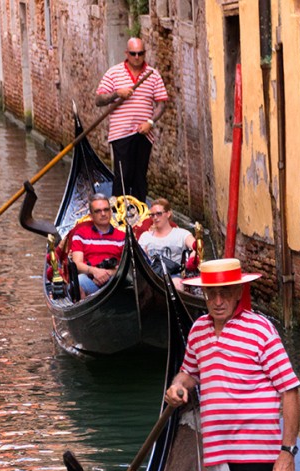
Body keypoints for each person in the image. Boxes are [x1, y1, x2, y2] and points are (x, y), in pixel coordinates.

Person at [164, 258, 300, 471]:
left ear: (238, 292)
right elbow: (190, 372)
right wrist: (177, 385)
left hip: (258, 455)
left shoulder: (261, 330)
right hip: (217, 453)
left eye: (224, 292)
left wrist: (287, 452)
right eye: (211, 293)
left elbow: (290, 391)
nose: (217, 301)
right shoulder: (198, 330)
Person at [95, 38, 168, 203]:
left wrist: (150, 123)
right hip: (120, 134)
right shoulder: (114, 73)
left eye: (140, 53)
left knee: (140, 177)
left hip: (144, 134)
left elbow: (162, 105)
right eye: (133, 54)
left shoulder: (153, 74)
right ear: (126, 54)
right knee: (122, 176)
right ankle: (119, 213)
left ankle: (139, 215)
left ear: (144, 53)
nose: (137, 57)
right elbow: (98, 100)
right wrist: (116, 94)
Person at [70, 194, 126, 297]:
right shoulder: (81, 235)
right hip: (91, 282)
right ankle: (85, 311)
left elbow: (128, 267)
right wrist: (94, 271)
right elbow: (76, 264)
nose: (103, 214)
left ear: (110, 212)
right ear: (91, 215)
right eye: (98, 211)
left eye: (106, 210)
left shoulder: (122, 237)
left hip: (115, 284)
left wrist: (107, 273)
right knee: (79, 280)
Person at [138, 198, 195, 274]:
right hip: (152, 276)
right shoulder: (145, 237)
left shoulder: (181, 234)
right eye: (152, 215)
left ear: (168, 214)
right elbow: (139, 259)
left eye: (159, 214)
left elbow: (197, 247)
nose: (155, 218)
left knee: (176, 283)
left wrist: (193, 256)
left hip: (173, 274)